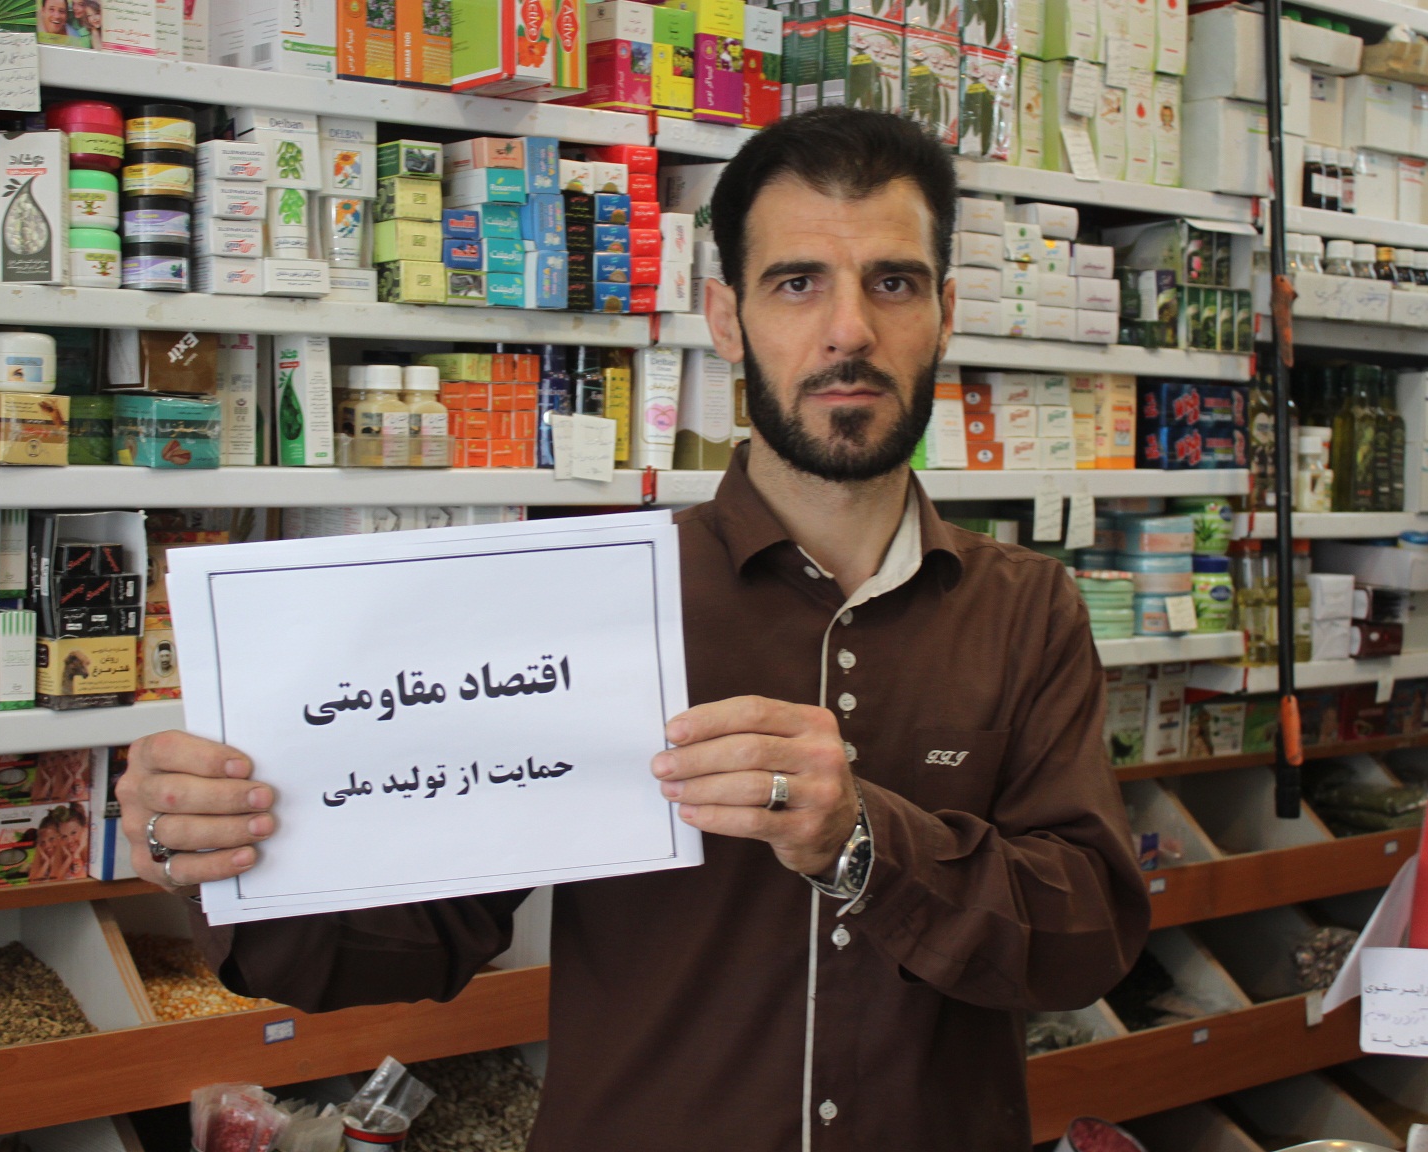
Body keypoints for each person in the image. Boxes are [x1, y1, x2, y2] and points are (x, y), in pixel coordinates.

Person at [119, 107, 1149, 1151]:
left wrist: (864, 841)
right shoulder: (590, 599)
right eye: (798, 283)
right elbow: (418, 941)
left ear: (945, 313)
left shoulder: (1026, 610)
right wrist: (227, 849)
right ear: (726, 318)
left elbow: (1087, 939)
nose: (849, 330)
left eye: (893, 282)